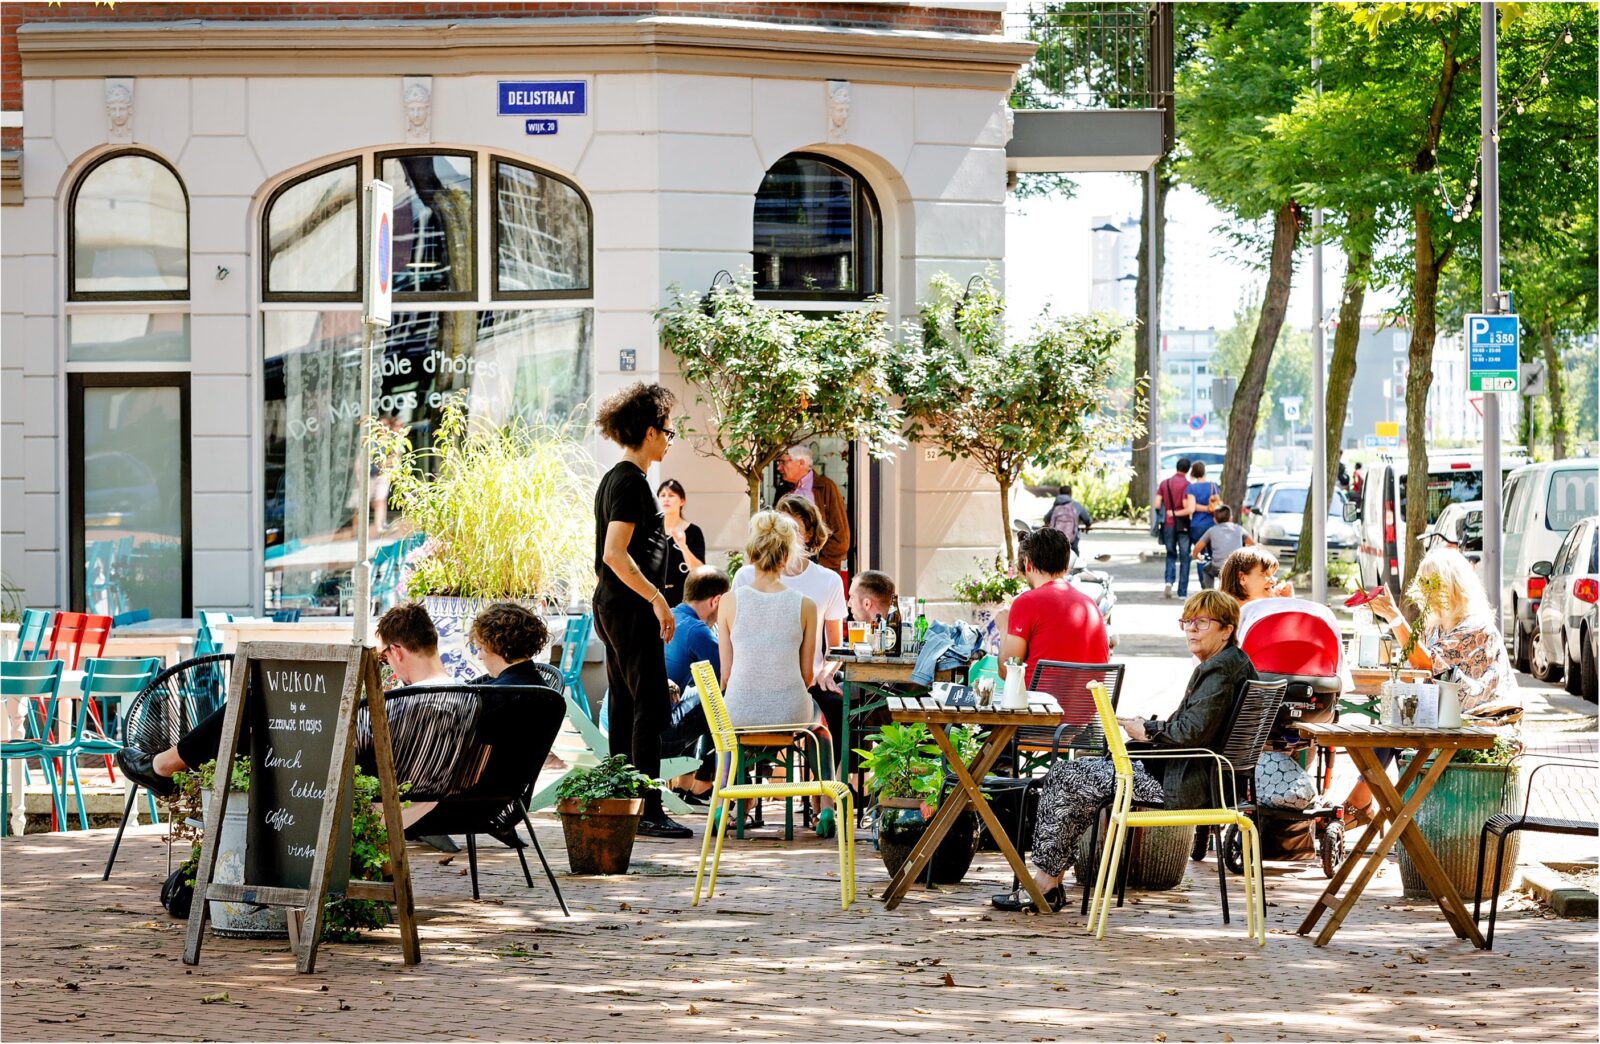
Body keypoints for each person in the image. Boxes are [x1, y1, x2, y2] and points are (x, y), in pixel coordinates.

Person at [994, 590, 1257, 911]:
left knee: (1064, 775)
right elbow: (1198, 728)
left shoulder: (1220, 670)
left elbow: (1191, 732)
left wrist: (1145, 730)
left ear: (1227, 629)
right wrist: (1146, 731)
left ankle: (1044, 885)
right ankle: (1049, 882)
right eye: (1186, 622)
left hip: (1184, 781)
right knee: (1078, 779)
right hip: (1194, 774)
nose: (1191, 629)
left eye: (1201, 623)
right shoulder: (1232, 664)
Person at [114, 604, 456, 800]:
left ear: (396, 651)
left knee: (256, 705)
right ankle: (171, 769)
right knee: (258, 715)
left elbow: (355, 745)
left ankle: (166, 767)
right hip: (434, 797)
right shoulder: (462, 695)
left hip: (340, 785)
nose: (386, 667)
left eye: (383, 659)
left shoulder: (407, 699)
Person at [592, 381, 691, 839]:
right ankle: (647, 808)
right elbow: (615, 552)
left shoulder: (616, 478)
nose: (670, 441)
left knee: (629, 704)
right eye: (668, 432)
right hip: (630, 608)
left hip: (615, 605)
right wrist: (656, 598)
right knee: (648, 705)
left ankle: (622, 801)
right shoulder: (631, 482)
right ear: (650, 431)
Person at [718, 511, 836, 833]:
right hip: (791, 711)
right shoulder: (806, 605)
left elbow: (726, 674)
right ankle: (826, 808)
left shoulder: (729, 602)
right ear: (786, 556)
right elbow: (806, 676)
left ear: (752, 554)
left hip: (740, 711)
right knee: (821, 731)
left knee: (728, 735)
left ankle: (720, 806)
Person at [734, 493, 848, 747]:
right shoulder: (746, 577)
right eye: (779, 526)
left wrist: (827, 673)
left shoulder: (828, 581)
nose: (783, 535)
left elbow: (836, 646)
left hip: (810, 680)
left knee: (839, 706)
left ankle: (827, 784)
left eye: (793, 528)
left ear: (808, 535)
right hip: (759, 682)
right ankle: (742, 781)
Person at [1368, 547, 1520, 714]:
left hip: (1485, 720)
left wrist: (1394, 617)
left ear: (1451, 585)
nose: (1424, 590)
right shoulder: (1434, 627)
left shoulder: (1475, 627)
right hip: (1448, 719)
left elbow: (1426, 663)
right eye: (1421, 582)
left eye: (1430, 583)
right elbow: (1416, 668)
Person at [999, 527, 1109, 685]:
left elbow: (1006, 672)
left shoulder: (1027, 602)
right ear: (1066, 566)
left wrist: (1004, 627)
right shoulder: (1090, 604)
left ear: (1027, 563)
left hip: (1039, 706)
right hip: (1087, 708)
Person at [776, 444, 851, 571]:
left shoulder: (826, 487)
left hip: (819, 565)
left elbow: (841, 537)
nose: (779, 467)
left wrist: (819, 566)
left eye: (783, 462)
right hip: (788, 567)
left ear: (800, 462)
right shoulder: (783, 490)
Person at [656, 479, 706, 607]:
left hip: (683, 599)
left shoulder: (693, 532)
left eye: (671, 495)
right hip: (655, 598)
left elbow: (699, 571)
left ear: (682, 501)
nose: (666, 499)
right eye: (662, 495)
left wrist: (683, 546)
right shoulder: (651, 530)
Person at [1191, 504, 1252, 590]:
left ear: (1214, 520)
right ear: (1230, 518)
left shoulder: (1211, 530)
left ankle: (1209, 593)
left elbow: (1197, 547)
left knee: (1206, 570)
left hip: (1218, 567)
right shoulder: (1238, 529)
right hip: (1236, 567)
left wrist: (1195, 555)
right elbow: (1252, 543)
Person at [1158, 457, 1194, 599]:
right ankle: (1182, 592)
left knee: (1170, 554)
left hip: (1168, 524)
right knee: (1185, 557)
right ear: (1188, 470)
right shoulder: (1188, 485)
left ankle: (1168, 581)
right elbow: (1187, 507)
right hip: (1183, 525)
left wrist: (1166, 513)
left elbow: (1156, 504)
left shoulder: (1164, 483)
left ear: (1176, 467)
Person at [1042, 484, 1093, 563]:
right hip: (1072, 539)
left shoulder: (1055, 506)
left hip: (1057, 538)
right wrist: (1088, 526)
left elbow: (1046, 519)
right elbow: (1087, 519)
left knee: (1056, 556)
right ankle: (1075, 567)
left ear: (1059, 493)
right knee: (1074, 554)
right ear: (1070, 493)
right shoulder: (1076, 505)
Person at [1184, 460, 1220, 549]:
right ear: (1204, 472)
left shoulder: (1191, 488)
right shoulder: (1213, 486)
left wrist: (1204, 508)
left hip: (1197, 524)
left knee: (1200, 553)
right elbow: (1218, 504)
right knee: (1212, 553)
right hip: (1212, 523)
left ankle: (1202, 562)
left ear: (1193, 473)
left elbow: (1192, 507)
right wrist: (1209, 508)